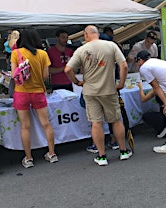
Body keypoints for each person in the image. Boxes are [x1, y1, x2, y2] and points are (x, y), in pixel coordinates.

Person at [64, 25, 132, 166]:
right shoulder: (111, 45)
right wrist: (121, 83)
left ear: (85, 35)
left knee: (96, 123)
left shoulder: (81, 50)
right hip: (109, 89)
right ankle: (123, 151)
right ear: (97, 34)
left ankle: (102, 156)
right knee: (116, 120)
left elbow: (68, 69)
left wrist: (77, 82)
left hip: (90, 91)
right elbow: (124, 65)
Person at [10, 29, 58, 168]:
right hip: (38, 92)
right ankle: (52, 153)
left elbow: (14, 74)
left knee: (25, 127)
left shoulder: (15, 53)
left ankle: (29, 158)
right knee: (46, 123)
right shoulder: (43, 54)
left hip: (21, 92)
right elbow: (45, 76)